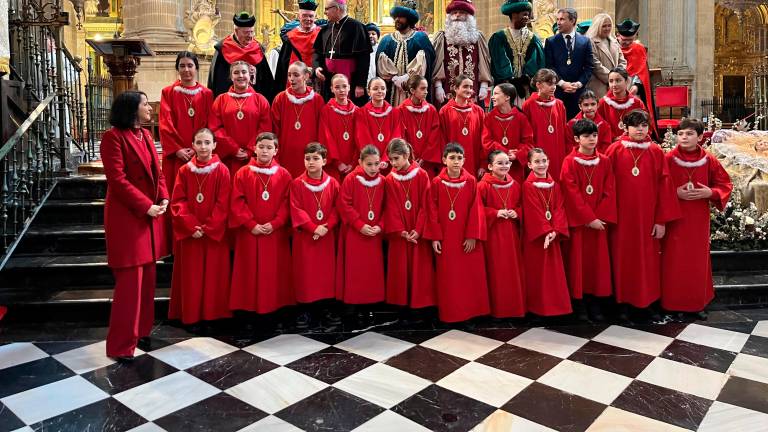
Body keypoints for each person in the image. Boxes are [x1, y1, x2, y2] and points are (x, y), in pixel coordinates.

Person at [101, 91, 169, 360]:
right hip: (128, 218)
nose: (150, 108)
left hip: (148, 217)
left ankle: (141, 331)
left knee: (147, 280)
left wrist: (163, 197)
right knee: (130, 285)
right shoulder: (113, 138)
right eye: (145, 104)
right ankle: (120, 346)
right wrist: (145, 205)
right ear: (131, 108)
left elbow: (158, 172)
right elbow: (117, 180)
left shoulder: (146, 136)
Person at [605, 110, 680, 321]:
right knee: (622, 259)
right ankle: (622, 304)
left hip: (648, 218)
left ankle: (647, 303)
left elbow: (665, 186)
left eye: (644, 125)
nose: (640, 129)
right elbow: (605, 184)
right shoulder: (614, 150)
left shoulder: (655, 151)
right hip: (621, 218)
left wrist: (661, 220)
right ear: (626, 127)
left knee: (648, 261)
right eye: (636, 125)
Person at [661, 119, 733, 319]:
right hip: (675, 218)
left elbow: (724, 184)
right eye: (681, 133)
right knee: (674, 261)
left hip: (698, 219)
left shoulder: (709, 160)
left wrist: (711, 192)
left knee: (696, 261)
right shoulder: (668, 159)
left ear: (700, 137)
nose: (684, 137)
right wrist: (675, 193)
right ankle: (673, 303)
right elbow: (657, 187)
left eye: (690, 133)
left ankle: (696, 303)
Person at [169, 128, 232, 326]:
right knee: (192, 277)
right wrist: (191, 226)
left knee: (215, 276)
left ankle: (213, 316)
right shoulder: (184, 171)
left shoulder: (222, 170)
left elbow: (224, 203)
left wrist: (209, 227)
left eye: (207, 142)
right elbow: (178, 201)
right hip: (191, 234)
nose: (203, 147)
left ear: (214, 145)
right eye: (199, 142)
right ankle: (191, 317)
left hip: (214, 233)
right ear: (193, 145)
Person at [229, 132, 294, 315]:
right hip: (250, 233)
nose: (265, 151)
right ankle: (248, 314)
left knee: (274, 273)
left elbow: (287, 203)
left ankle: (275, 312)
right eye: (261, 147)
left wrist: (276, 223)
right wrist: (251, 224)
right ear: (254, 149)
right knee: (248, 272)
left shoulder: (284, 174)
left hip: (275, 233)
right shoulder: (243, 173)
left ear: (276, 151)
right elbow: (237, 202)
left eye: (269, 147)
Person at [560, 119, 616, 321]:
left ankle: (595, 302)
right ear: (577, 139)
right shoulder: (569, 161)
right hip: (580, 224)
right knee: (578, 264)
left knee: (597, 265)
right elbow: (570, 192)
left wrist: (599, 217)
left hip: (599, 223)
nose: (592, 139)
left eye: (594, 135)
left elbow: (610, 190)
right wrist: (588, 218)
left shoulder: (605, 161)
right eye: (586, 136)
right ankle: (579, 303)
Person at [427, 142, 490, 322]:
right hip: (447, 238)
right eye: (452, 158)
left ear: (464, 160)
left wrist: (472, 236)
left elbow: (476, 210)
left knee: (468, 277)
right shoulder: (437, 182)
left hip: (465, 238)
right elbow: (432, 211)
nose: (456, 161)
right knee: (450, 277)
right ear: (443, 160)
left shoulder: (470, 181)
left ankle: (469, 313)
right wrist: (435, 237)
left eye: (459, 158)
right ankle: (451, 314)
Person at [290, 143, 342, 328]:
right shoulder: (297, 183)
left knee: (325, 273)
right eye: (307, 159)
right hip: (306, 237)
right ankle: (305, 310)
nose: (310, 162)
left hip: (326, 236)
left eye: (315, 158)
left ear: (324, 161)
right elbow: (296, 209)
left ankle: (325, 308)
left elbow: (337, 207)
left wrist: (327, 226)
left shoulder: (333, 183)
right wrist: (313, 227)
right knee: (306, 273)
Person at [383, 138, 436, 308]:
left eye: (396, 158)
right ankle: (402, 306)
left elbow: (425, 204)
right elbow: (390, 207)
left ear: (406, 156)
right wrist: (401, 231)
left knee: (420, 269)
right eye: (390, 159)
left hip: (417, 230)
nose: (393, 163)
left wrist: (418, 229)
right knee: (400, 269)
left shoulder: (421, 175)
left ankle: (420, 307)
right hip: (401, 233)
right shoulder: (389, 179)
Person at [521, 148, 571, 317]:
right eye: (537, 161)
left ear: (549, 162)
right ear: (529, 165)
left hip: (552, 235)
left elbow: (559, 208)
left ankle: (556, 308)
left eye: (544, 161)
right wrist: (546, 230)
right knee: (537, 272)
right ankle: (537, 309)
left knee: (554, 273)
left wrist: (556, 229)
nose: (541, 164)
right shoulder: (527, 186)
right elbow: (532, 210)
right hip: (538, 238)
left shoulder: (554, 184)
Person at [159, 52, 214, 204]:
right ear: (177, 68)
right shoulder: (168, 92)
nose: (186, 69)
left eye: (190, 65)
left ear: (196, 68)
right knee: (176, 194)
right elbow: (165, 123)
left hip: (200, 153)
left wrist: (198, 148)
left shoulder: (207, 94)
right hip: (176, 155)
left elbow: (210, 124)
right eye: (182, 66)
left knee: (199, 193)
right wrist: (177, 149)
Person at [336, 145, 386, 310]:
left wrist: (380, 226)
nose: (373, 168)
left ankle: (372, 306)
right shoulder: (351, 179)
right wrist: (359, 224)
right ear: (360, 162)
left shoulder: (383, 181)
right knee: (355, 270)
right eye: (369, 164)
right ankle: (354, 306)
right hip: (355, 233)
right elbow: (344, 204)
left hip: (374, 233)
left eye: (376, 164)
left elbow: (389, 207)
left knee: (372, 271)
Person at [478, 150, 525, 318]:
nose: (504, 166)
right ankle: (497, 310)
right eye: (499, 163)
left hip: (511, 235)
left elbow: (522, 206)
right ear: (490, 166)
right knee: (496, 272)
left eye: (507, 163)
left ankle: (514, 309)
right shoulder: (483, 186)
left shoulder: (516, 185)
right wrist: (495, 213)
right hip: (493, 235)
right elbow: (477, 210)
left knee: (512, 272)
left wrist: (517, 212)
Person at [209, 61, 272, 176]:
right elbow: (215, 128)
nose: (241, 75)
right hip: (228, 158)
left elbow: (265, 129)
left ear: (250, 75)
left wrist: (250, 150)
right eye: (236, 73)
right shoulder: (220, 100)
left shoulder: (260, 100)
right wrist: (233, 149)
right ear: (231, 76)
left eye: (244, 72)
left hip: (254, 157)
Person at [432, 0, 491, 108]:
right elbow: (437, 64)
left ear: (469, 16)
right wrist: (438, 86)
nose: (457, 15)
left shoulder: (478, 38)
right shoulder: (442, 38)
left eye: (461, 12)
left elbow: (483, 63)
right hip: (447, 93)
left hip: (473, 93)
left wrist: (484, 85)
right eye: (454, 13)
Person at [376, 0, 436, 106]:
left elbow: (425, 61)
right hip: (392, 89)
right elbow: (381, 64)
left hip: (414, 89)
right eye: (396, 17)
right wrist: (394, 78)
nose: (397, 19)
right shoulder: (386, 40)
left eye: (401, 17)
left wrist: (407, 78)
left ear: (409, 19)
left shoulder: (420, 38)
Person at [271, 61, 325, 177]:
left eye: (296, 75)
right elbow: (274, 130)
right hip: (286, 154)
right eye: (289, 75)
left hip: (310, 156)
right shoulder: (280, 98)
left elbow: (321, 131)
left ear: (306, 76)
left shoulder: (317, 100)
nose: (291, 79)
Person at [313, 0, 371, 104]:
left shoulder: (357, 27)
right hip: (328, 80)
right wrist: (317, 67)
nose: (325, 12)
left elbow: (364, 58)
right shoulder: (326, 29)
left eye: (327, 9)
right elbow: (317, 52)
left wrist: (360, 85)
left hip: (350, 80)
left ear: (337, 9)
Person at [208, 11, 275, 101]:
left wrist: (255, 74)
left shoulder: (257, 48)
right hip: (230, 101)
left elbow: (267, 82)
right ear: (236, 31)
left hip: (254, 101)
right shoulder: (223, 48)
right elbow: (217, 82)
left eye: (252, 32)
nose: (250, 36)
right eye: (246, 32)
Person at [489, 0, 545, 103]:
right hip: (504, 88)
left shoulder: (533, 39)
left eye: (528, 15)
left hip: (526, 88)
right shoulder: (499, 38)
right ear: (514, 14)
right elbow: (499, 63)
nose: (527, 18)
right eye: (524, 14)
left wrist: (525, 79)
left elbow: (536, 62)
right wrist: (510, 80)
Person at [544, 8, 593, 118]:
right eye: (557, 19)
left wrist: (579, 83)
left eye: (562, 19)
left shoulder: (585, 41)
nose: (558, 22)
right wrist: (562, 83)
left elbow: (589, 67)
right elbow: (549, 66)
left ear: (572, 21)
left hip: (578, 93)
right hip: (558, 92)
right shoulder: (551, 41)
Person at [522, 68, 570, 179]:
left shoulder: (559, 104)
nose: (553, 87)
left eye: (554, 83)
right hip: (539, 155)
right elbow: (526, 135)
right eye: (549, 84)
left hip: (558, 154)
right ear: (538, 85)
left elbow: (564, 132)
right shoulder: (528, 105)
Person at [482, 83, 534, 183]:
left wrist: (517, 154)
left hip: (515, 167)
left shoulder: (521, 118)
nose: (492, 97)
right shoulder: (489, 118)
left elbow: (529, 143)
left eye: (496, 93)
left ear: (507, 97)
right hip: (496, 166)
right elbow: (486, 142)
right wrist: (505, 153)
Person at [616, 18, 658, 138]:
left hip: (634, 89)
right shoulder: (614, 48)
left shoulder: (639, 48)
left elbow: (642, 71)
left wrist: (636, 86)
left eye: (630, 40)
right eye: (624, 40)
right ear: (618, 36)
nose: (627, 43)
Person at [439, 74, 485, 177]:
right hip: (452, 163)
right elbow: (442, 139)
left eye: (471, 87)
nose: (469, 90)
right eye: (465, 86)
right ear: (455, 88)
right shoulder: (445, 111)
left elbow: (484, 140)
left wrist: (483, 164)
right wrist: (445, 162)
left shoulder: (479, 111)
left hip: (474, 162)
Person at [354, 77, 402, 174]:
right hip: (370, 162)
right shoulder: (361, 113)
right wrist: (375, 160)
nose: (380, 91)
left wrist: (385, 158)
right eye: (375, 89)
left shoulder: (395, 112)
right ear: (369, 92)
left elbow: (396, 136)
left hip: (390, 161)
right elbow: (362, 137)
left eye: (383, 88)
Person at [397, 75, 443, 175]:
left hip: (427, 162)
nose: (426, 92)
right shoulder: (401, 110)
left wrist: (424, 157)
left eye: (426, 88)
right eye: (422, 88)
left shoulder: (431, 110)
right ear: (412, 90)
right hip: (407, 161)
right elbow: (401, 136)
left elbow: (434, 136)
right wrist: (409, 156)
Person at [275, 1, 322, 89]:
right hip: (294, 82)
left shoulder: (322, 34)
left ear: (315, 17)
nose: (308, 19)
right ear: (299, 17)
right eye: (304, 15)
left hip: (317, 81)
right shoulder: (290, 37)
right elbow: (283, 65)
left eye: (311, 16)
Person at [319, 74, 358, 180]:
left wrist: (353, 163)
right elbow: (325, 137)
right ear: (331, 89)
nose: (341, 90)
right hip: (333, 165)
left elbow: (360, 139)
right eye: (337, 87)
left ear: (349, 87)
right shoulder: (326, 111)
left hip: (353, 164)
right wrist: (337, 163)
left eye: (344, 86)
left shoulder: (357, 111)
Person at [597, 67, 647, 142]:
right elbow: (598, 125)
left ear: (626, 81)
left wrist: (631, 137)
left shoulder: (637, 103)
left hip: (633, 142)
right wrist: (613, 138)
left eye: (618, 80)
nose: (614, 84)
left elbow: (645, 124)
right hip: (610, 143)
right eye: (611, 81)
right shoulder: (602, 103)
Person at [584, 13, 626, 99]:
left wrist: (618, 79)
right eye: (604, 26)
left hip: (617, 87)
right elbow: (596, 65)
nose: (607, 28)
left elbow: (622, 61)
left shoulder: (614, 41)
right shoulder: (590, 42)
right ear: (597, 26)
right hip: (599, 86)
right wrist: (612, 80)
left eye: (609, 25)